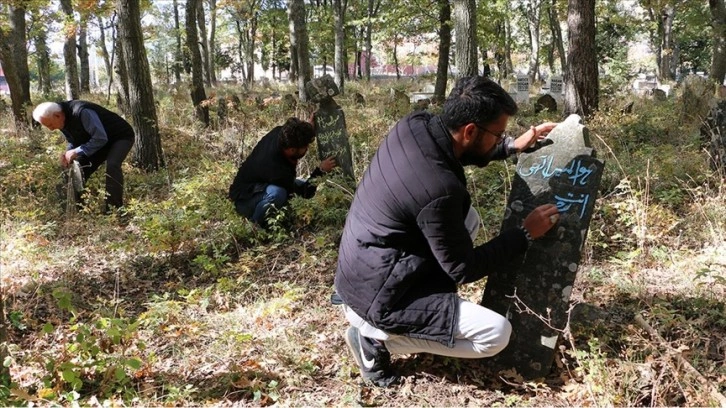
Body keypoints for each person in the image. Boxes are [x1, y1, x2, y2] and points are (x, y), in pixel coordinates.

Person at [334, 75, 561, 387]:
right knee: (495, 334)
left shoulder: (416, 124)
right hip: (377, 298)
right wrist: (523, 234)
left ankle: (390, 324)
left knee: (468, 218)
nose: (500, 139)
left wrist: (510, 147)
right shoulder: (440, 190)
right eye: (498, 134)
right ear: (469, 130)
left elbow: (465, 152)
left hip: (362, 268)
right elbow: (462, 268)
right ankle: (377, 342)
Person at [229, 117, 337, 226]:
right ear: (292, 150)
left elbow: (295, 132)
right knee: (278, 194)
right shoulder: (277, 169)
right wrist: (321, 170)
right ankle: (255, 226)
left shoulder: (280, 133)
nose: (307, 149)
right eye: (305, 147)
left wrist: (307, 129)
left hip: (257, 187)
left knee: (300, 182)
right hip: (244, 201)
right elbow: (304, 193)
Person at [33, 100, 135, 213]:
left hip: (120, 137)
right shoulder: (60, 118)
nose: (51, 129)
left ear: (57, 115)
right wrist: (68, 153)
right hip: (99, 142)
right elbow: (73, 140)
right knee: (76, 167)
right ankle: (76, 209)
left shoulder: (83, 112)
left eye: (50, 125)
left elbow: (100, 138)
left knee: (112, 165)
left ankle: (114, 210)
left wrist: (76, 151)